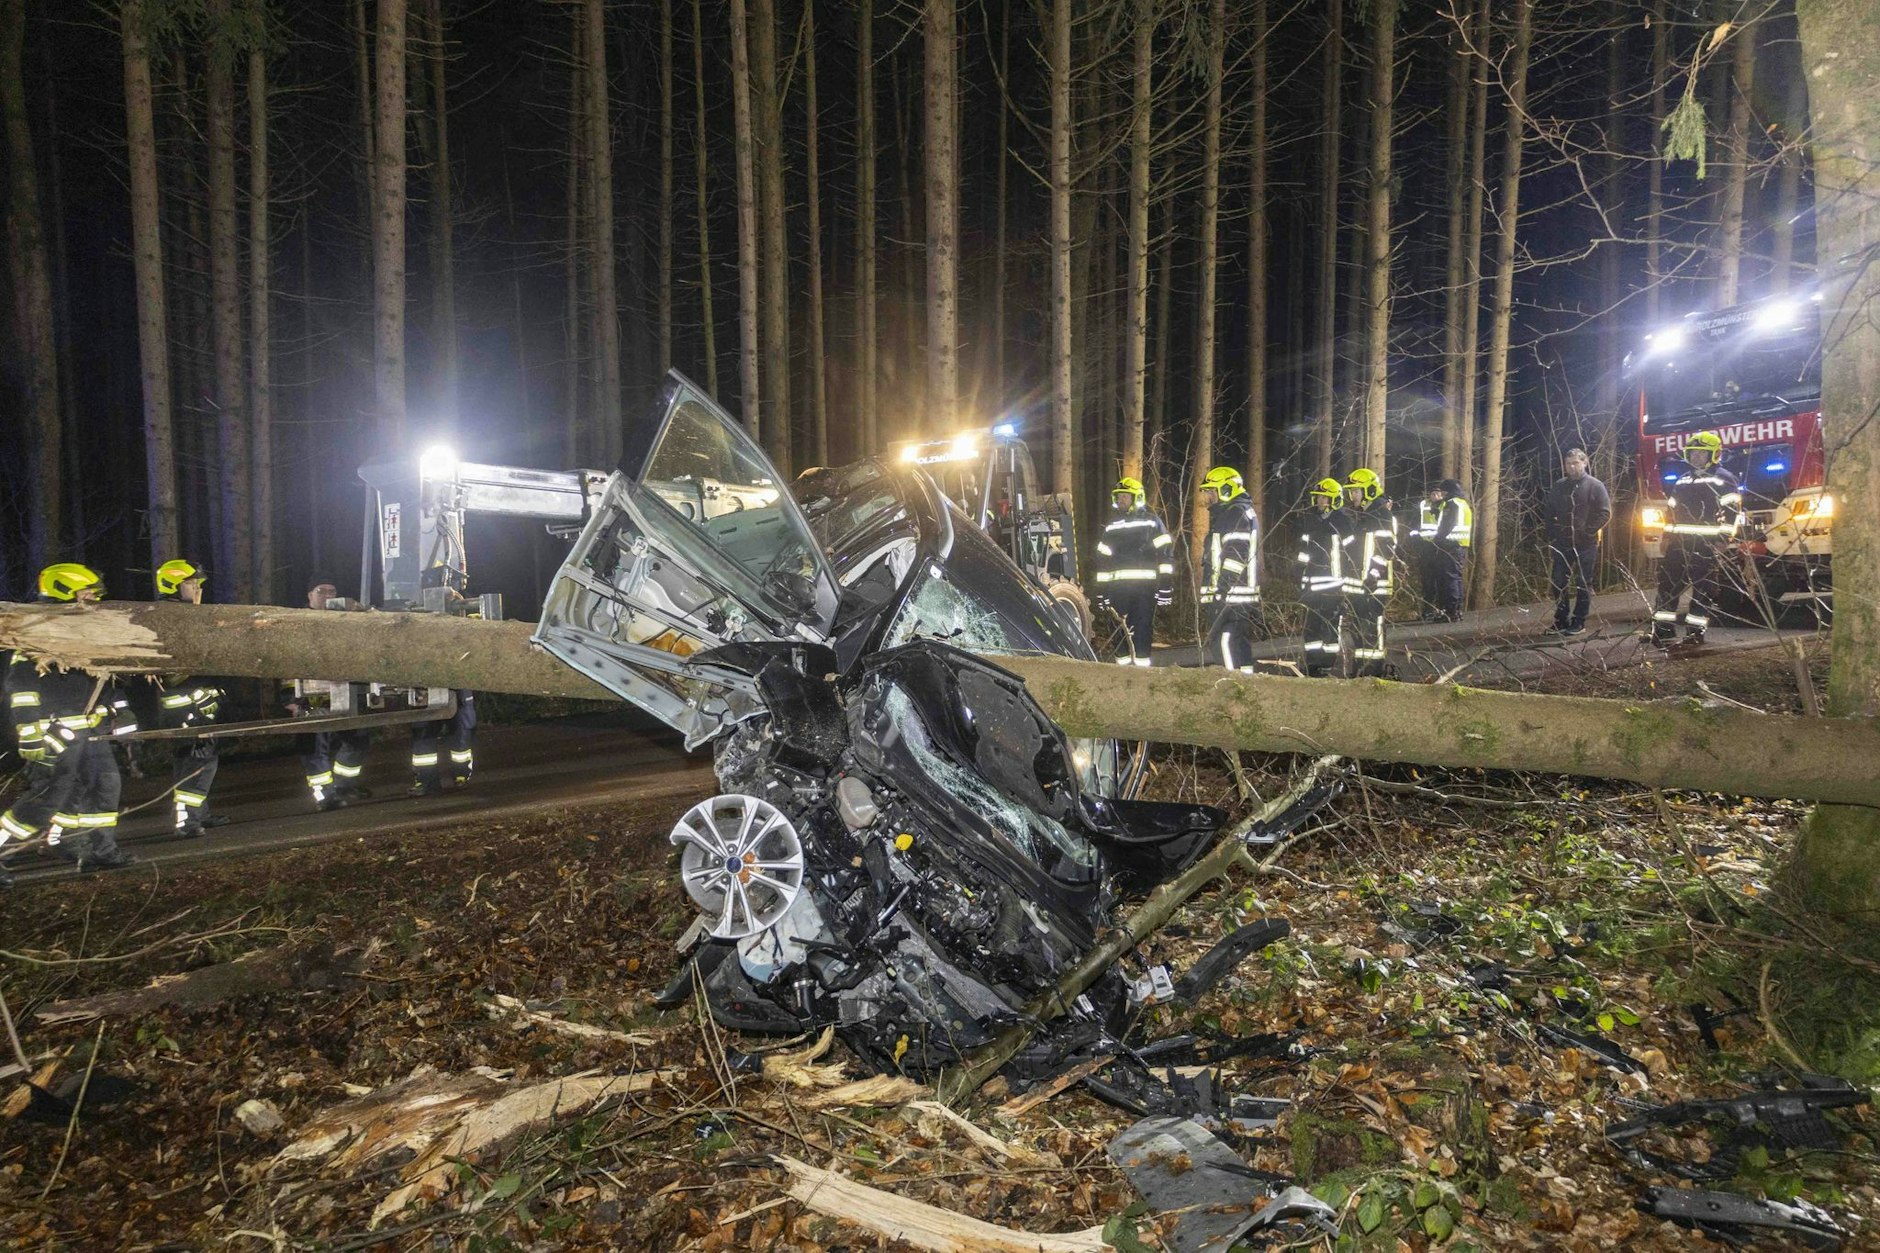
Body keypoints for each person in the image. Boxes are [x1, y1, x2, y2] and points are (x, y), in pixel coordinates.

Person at [1, 564, 139, 882]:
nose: (92, 599)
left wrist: (122, 710)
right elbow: (20, 689)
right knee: (47, 798)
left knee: (105, 786)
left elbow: (103, 679)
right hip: (55, 734)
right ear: (63, 590)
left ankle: (97, 851)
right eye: (85, 592)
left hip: (91, 731)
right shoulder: (38, 631)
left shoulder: (84, 633)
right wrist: (29, 733)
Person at [152, 559, 230, 838]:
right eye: (191, 583)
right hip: (184, 712)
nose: (198, 589)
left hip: (197, 708)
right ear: (173, 585)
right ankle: (186, 822)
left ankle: (200, 814)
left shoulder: (186, 615)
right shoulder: (170, 618)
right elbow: (173, 675)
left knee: (202, 763)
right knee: (196, 766)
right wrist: (198, 702)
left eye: (199, 584)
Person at [1651, 431, 1742, 648]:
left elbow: (1732, 511)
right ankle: (1662, 632)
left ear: (1714, 454)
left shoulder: (1724, 479)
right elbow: (1671, 511)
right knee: (1667, 587)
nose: (1696, 458)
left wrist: (1724, 537)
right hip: (1678, 543)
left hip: (1705, 544)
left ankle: (1695, 634)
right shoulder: (1683, 480)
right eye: (1693, 453)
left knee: (1703, 591)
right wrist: (1666, 537)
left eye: (1702, 454)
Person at [291, 575, 372, 811]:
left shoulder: (343, 620)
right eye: (321, 591)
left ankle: (343, 785)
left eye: (332, 592)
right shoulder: (297, 622)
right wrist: (291, 700)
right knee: (315, 749)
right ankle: (324, 796)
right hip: (310, 699)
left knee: (358, 741)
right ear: (309, 595)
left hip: (345, 693)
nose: (328, 596)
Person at [1090, 476, 1173, 667]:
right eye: (1118, 497)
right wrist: (1102, 592)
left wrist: (1165, 587)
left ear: (1137, 498)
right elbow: (1102, 562)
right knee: (1118, 630)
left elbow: (1166, 555)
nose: (1120, 501)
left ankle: (1142, 672)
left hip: (1145, 590)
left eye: (1125, 497)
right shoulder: (1112, 527)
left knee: (1142, 629)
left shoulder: (1152, 523)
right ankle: (1123, 671)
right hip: (1117, 590)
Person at [1198, 466, 1264, 673]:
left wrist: (1223, 587)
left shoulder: (1234, 513)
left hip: (1232, 593)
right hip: (1237, 592)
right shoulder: (1236, 511)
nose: (1209, 497)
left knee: (1223, 641)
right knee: (1238, 643)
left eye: (1212, 491)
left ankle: (1230, 685)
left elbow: (1236, 553)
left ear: (1226, 489)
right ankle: (1245, 683)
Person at [1544, 447, 1613, 636]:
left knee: (1583, 582)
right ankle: (1560, 619)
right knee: (1558, 581)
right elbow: (1549, 511)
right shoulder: (1559, 486)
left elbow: (1605, 513)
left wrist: (1588, 532)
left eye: (1575, 463)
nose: (1571, 467)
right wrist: (1552, 532)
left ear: (1584, 463)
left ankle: (1579, 621)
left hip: (1586, 543)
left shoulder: (1594, 485)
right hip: (1562, 542)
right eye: (1568, 463)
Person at [1341, 467, 1397, 677]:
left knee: (1372, 629)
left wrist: (1373, 576)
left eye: (1356, 491)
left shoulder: (1381, 514)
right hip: (1360, 584)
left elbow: (1386, 548)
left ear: (1369, 491)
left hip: (1374, 585)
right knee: (1359, 630)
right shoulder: (1364, 516)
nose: (1352, 495)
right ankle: (1362, 668)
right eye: (1351, 491)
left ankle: (1373, 672)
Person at [1296, 478, 1353, 678]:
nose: (1319, 501)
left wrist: (1348, 579)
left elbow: (1351, 553)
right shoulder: (1310, 521)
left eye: (1324, 497)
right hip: (1312, 584)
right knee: (1311, 628)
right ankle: (1312, 664)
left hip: (1333, 584)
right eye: (1318, 497)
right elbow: (1303, 552)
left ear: (1334, 500)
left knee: (1329, 627)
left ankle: (1326, 664)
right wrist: (1300, 573)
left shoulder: (1342, 522)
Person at [1425, 479, 1472, 622]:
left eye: (1444, 492)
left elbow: (1446, 525)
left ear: (1449, 491)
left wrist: (1437, 540)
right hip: (1460, 545)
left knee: (1449, 578)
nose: (1443, 495)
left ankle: (1451, 611)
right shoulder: (1462, 503)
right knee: (1455, 578)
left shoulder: (1452, 505)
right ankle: (1456, 610)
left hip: (1450, 545)